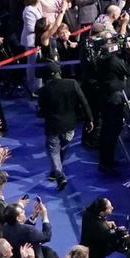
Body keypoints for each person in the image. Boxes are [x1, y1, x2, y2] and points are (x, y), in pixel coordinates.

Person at [38, 60, 95, 190]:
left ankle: (59, 174)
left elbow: (41, 111)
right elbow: (83, 102)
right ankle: (56, 171)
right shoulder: (72, 83)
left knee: (54, 150)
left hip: (53, 126)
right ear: (59, 72)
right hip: (70, 125)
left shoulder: (44, 91)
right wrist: (90, 119)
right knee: (61, 149)